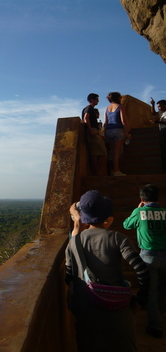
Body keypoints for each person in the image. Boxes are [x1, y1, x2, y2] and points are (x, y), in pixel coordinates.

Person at [66, 190, 149, 352]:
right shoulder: (118, 238)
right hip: (119, 311)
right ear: (108, 220)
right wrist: (140, 299)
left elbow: (68, 278)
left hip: (86, 311)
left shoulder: (74, 242)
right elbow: (142, 270)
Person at [123, 184, 166, 338]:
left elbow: (126, 225)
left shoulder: (140, 211)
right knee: (162, 289)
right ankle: (159, 314)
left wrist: (137, 208)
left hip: (148, 256)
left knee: (151, 291)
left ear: (142, 198)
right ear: (158, 198)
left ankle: (155, 326)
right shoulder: (165, 212)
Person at [104, 92, 131, 176]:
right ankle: (116, 171)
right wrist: (127, 133)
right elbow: (123, 121)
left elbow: (105, 122)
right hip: (118, 130)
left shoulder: (107, 108)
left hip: (109, 131)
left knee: (111, 153)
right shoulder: (120, 107)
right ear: (118, 98)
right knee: (117, 152)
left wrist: (104, 133)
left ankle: (110, 171)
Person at [82, 93, 107, 175]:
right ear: (92, 100)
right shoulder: (89, 108)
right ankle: (96, 171)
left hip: (94, 131)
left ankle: (97, 171)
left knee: (100, 152)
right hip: (92, 130)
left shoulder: (90, 108)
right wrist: (90, 130)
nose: (98, 101)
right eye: (97, 99)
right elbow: (86, 118)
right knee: (96, 152)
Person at [150, 98, 166, 172]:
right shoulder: (162, 113)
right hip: (162, 131)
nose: (158, 108)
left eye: (159, 106)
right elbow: (153, 113)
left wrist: (158, 122)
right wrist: (152, 104)